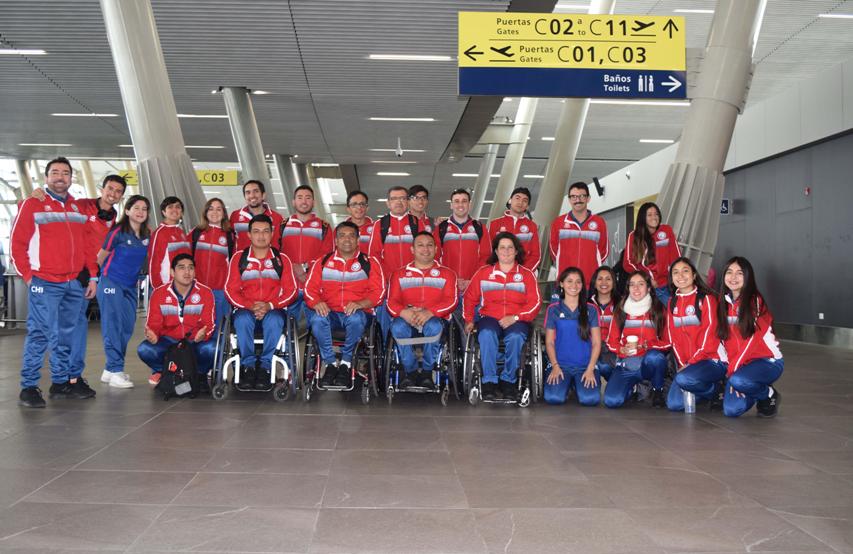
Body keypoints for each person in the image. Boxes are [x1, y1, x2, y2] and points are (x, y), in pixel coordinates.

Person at [12, 157, 98, 407]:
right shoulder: (33, 204)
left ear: (72, 178)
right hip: (44, 282)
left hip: (73, 282)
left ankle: (60, 383)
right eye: (55, 172)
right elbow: (17, 244)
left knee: (65, 335)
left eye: (65, 173)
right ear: (47, 177)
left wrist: (92, 274)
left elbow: (86, 246)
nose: (60, 177)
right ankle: (28, 386)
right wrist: (29, 276)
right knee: (39, 333)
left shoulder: (77, 208)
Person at [31, 173, 126, 396]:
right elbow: (45, 209)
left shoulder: (115, 220)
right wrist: (36, 195)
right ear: (102, 189)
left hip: (90, 276)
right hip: (68, 273)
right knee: (64, 328)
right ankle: (64, 378)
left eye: (118, 191)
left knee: (76, 327)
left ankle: (70, 377)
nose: (112, 193)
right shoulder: (81, 206)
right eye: (110, 188)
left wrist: (95, 276)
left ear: (121, 196)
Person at [304, 221, 385, 387]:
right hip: (331, 313)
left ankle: (346, 363)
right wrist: (317, 302)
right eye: (342, 236)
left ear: (358, 240)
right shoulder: (323, 262)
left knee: (355, 319)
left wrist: (360, 303)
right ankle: (331, 364)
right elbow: (309, 290)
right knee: (317, 320)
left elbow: (379, 293)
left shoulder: (369, 263)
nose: (347, 239)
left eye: (351, 236)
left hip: (359, 314)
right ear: (336, 240)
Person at [464, 232, 541, 401]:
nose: (506, 251)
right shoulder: (483, 273)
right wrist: (469, 319)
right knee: (486, 334)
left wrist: (515, 317)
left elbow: (535, 304)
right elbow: (469, 298)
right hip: (490, 317)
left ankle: (508, 381)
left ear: (516, 251)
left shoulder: (527, 275)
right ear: (496, 252)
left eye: (510, 248)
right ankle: (489, 381)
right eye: (502, 248)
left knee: (515, 337)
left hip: (517, 319)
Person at [225, 214, 298, 388]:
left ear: (272, 233)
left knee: (275, 320)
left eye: (266, 231)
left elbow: (292, 291)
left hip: (273, 309)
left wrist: (270, 305)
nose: (261, 235)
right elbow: (230, 290)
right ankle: (248, 367)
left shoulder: (281, 260)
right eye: (256, 231)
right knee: (242, 320)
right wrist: (250, 306)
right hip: (245, 308)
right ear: (249, 235)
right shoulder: (238, 258)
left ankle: (265, 367)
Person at [387, 231, 458, 388]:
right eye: (420, 245)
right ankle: (410, 372)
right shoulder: (399, 274)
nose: (425, 249)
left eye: (429, 245)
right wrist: (404, 312)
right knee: (397, 327)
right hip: (407, 319)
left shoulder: (447, 274)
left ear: (436, 249)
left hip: (435, 319)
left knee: (434, 326)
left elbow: (451, 301)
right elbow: (391, 302)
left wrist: (430, 312)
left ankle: (427, 372)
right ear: (412, 249)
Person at [137, 254, 217, 391]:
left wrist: (204, 334)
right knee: (144, 349)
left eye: (191, 268)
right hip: (169, 343)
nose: (187, 272)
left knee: (213, 349)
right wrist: (153, 334)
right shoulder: (159, 293)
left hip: (194, 342)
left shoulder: (205, 292)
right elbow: (153, 323)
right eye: (182, 268)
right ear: (172, 272)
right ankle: (167, 372)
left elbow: (209, 324)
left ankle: (200, 374)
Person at [716, 256, 783, 418]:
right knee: (731, 410)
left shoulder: (755, 301)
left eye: (739, 273)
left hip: (766, 361)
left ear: (748, 277)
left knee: (739, 381)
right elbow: (722, 340)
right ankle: (752, 386)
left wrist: (732, 373)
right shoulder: (722, 303)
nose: (733, 277)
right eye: (729, 272)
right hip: (740, 367)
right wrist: (731, 370)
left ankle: (768, 394)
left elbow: (751, 340)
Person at [96, 195, 151, 388]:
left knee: (127, 328)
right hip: (111, 282)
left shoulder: (146, 236)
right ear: (127, 210)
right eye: (136, 207)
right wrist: (98, 280)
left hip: (130, 286)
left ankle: (110, 370)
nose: (140, 212)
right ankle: (116, 368)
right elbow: (100, 258)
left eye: (144, 209)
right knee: (113, 327)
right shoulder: (118, 232)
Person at [664, 257, 727, 411]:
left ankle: (717, 387)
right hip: (688, 365)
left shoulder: (707, 299)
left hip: (712, 360)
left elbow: (710, 339)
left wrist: (690, 363)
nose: (681, 276)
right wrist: (682, 363)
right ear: (672, 279)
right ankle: (711, 391)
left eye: (685, 271)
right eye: (675, 273)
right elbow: (673, 339)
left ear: (694, 275)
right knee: (674, 404)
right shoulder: (672, 302)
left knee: (684, 378)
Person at [367, 185, 430, 338]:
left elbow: (425, 253)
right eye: (394, 199)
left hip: (415, 281)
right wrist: (388, 279)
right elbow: (374, 256)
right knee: (384, 310)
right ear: (388, 203)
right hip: (390, 282)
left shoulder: (417, 223)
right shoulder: (380, 225)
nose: (399, 202)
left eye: (402, 198)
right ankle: (384, 346)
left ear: (408, 201)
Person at [603, 271, 670, 408]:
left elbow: (668, 342)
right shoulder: (620, 311)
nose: (636, 288)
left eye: (641, 284)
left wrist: (647, 345)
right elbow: (611, 341)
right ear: (628, 288)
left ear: (649, 288)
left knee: (655, 358)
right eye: (632, 285)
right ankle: (632, 388)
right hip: (626, 365)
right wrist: (620, 349)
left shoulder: (658, 310)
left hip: (647, 363)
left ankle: (657, 390)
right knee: (612, 401)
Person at [544, 267, 602, 406]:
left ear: (582, 285)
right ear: (562, 284)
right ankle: (569, 384)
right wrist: (555, 366)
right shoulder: (553, 309)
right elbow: (550, 342)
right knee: (553, 398)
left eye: (578, 282)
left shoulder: (591, 310)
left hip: (584, 367)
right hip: (561, 366)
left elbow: (596, 343)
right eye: (569, 281)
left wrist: (590, 369)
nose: (574, 286)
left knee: (590, 400)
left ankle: (576, 384)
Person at [279, 185, 333, 320]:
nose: (304, 201)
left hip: (314, 287)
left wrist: (304, 268)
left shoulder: (324, 227)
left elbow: (327, 256)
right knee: (288, 327)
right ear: (293, 202)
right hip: (289, 287)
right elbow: (275, 254)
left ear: (313, 202)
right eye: (300, 198)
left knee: (317, 325)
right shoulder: (282, 225)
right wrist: (293, 267)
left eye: (308, 198)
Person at [434, 188, 490, 312]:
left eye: (464, 201)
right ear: (451, 205)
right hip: (448, 286)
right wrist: (451, 280)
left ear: (469, 204)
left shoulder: (479, 228)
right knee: (449, 324)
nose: (460, 205)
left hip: (472, 286)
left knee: (471, 324)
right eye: (456, 201)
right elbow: (435, 258)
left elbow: (486, 257)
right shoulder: (441, 228)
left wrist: (472, 280)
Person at [549, 181, 608, 289]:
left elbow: (603, 251)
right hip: (566, 282)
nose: (578, 200)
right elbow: (554, 251)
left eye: (581, 196)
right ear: (569, 199)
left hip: (591, 283)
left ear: (588, 198)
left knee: (590, 307)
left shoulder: (599, 222)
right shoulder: (558, 223)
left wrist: (590, 264)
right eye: (574, 197)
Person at [622, 202, 681, 304]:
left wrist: (676, 278)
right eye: (649, 215)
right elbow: (628, 263)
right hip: (648, 287)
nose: (654, 217)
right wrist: (647, 278)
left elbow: (676, 257)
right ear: (642, 217)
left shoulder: (666, 230)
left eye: (656, 214)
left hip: (670, 285)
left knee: (675, 313)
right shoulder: (634, 235)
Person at [190, 197, 235, 326]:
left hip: (220, 290)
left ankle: (218, 346)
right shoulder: (196, 233)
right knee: (197, 325)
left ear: (224, 213)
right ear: (205, 212)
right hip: (197, 288)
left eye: (218, 209)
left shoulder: (230, 235)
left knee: (219, 325)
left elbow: (233, 263)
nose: (214, 212)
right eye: (211, 208)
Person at [488, 187, 541, 271]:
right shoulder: (495, 224)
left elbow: (535, 255)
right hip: (498, 272)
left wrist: (523, 271)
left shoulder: (532, 226)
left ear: (527, 206)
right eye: (517, 198)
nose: (520, 202)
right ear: (510, 200)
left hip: (522, 274)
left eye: (525, 200)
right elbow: (489, 251)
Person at [147, 196, 190, 290]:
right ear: (163, 212)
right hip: (166, 286)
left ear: (182, 212)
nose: (174, 209)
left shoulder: (181, 232)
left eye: (178, 207)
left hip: (183, 286)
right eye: (170, 207)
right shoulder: (160, 233)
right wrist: (158, 288)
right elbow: (153, 263)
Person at [229, 180, 284, 251]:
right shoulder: (235, 216)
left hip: (268, 261)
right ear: (245, 197)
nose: (252, 195)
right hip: (241, 261)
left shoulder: (277, 218)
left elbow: (280, 244)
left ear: (263, 195)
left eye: (256, 191)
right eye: (248, 192)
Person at [345, 190, 373, 255]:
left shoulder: (377, 229)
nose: (359, 208)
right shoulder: (339, 230)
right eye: (354, 204)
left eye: (362, 204)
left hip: (371, 264)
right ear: (348, 209)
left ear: (367, 208)